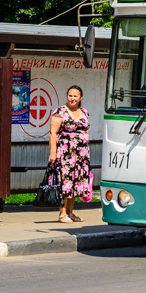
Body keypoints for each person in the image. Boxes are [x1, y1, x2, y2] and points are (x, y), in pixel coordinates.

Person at [49, 85, 93, 223]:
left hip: (81, 155)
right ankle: (62, 214)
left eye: (75, 96)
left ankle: (70, 212)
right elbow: (53, 133)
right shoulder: (60, 112)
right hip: (65, 154)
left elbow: (86, 131)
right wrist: (53, 152)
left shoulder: (84, 112)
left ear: (80, 97)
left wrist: (86, 148)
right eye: (70, 95)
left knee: (76, 183)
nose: (72, 98)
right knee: (65, 182)